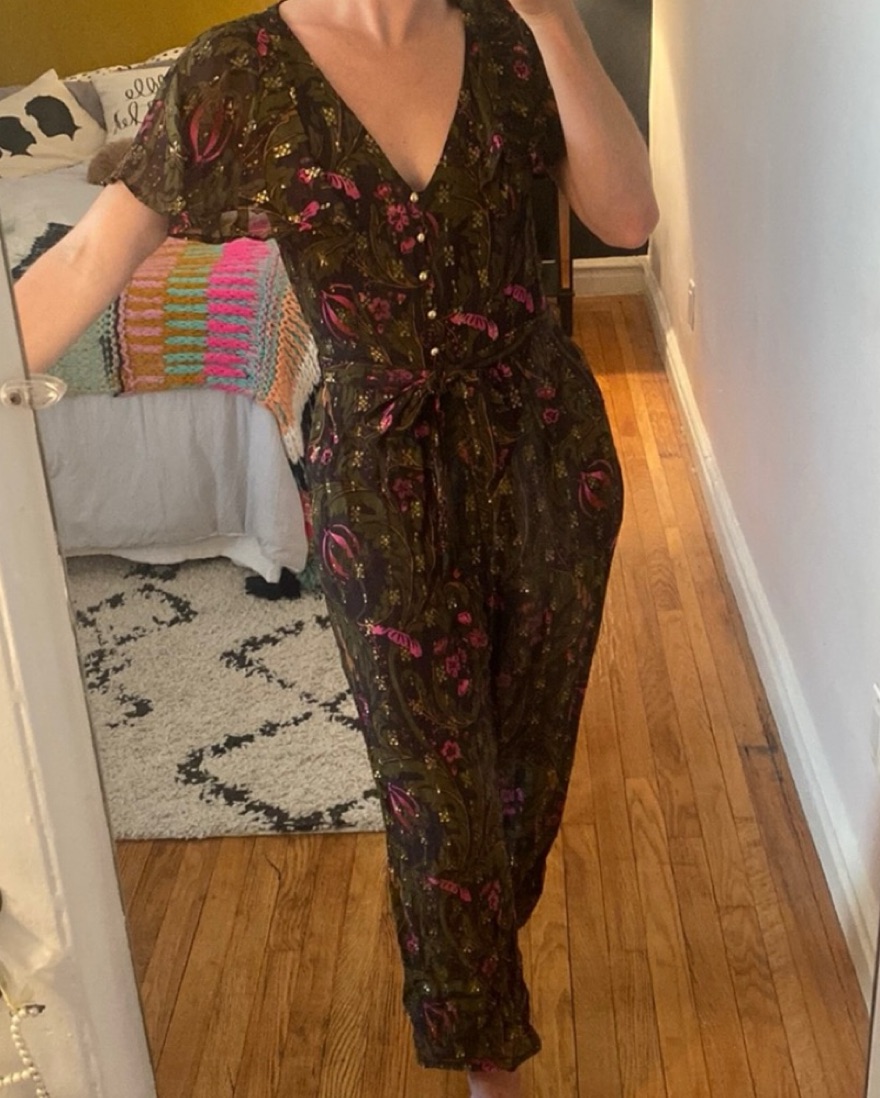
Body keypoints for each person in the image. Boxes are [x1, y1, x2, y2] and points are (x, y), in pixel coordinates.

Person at [15, 0, 658, 1093]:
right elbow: (83, 262)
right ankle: (488, 1063)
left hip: (547, 456)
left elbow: (628, 216)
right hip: (381, 475)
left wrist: (558, 21)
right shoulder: (238, 73)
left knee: (521, 775)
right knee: (433, 797)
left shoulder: (511, 39)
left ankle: (480, 968)